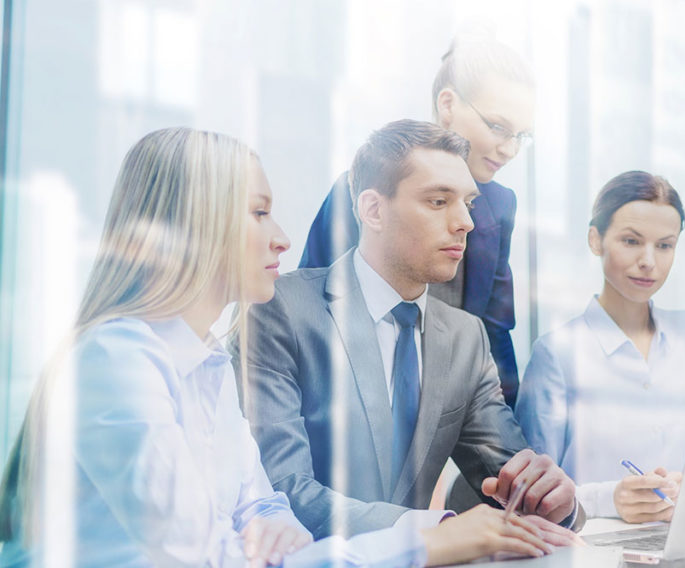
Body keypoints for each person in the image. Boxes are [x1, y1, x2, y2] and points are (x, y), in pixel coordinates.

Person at [0, 127, 574, 568]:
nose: (282, 237)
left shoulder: (206, 363)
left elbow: (265, 508)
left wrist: (553, 498)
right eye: (258, 213)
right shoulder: (119, 361)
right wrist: (427, 539)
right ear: (192, 224)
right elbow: (214, 554)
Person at [238, 119, 581, 542]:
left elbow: (515, 481)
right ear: (373, 210)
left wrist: (555, 502)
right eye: (438, 201)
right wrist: (437, 531)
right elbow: (281, 490)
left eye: (468, 204)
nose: (465, 223)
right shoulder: (281, 310)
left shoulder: (466, 338)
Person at [300, 37, 533, 407]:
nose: (509, 149)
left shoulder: (501, 206)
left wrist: (508, 434)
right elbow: (309, 311)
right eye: (498, 127)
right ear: (448, 104)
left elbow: (495, 334)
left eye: (521, 136)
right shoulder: (361, 190)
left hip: (447, 412)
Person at [515, 171, 685, 523]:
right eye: (631, 241)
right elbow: (532, 498)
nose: (649, 261)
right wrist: (609, 499)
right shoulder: (557, 353)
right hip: (594, 543)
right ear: (595, 240)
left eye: (665, 246)